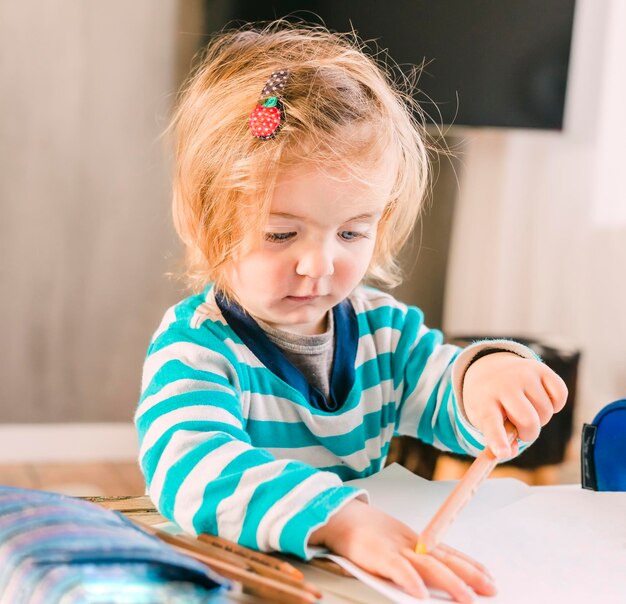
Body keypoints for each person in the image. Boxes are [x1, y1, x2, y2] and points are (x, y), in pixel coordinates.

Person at [135, 21, 568, 602]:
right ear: (204, 221)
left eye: (351, 231)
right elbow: (192, 466)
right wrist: (341, 521)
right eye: (282, 233)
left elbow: (440, 385)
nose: (318, 264)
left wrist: (487, 378)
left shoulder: (381, 330)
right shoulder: (196, 346)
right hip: (247, 581)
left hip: (350, 582)